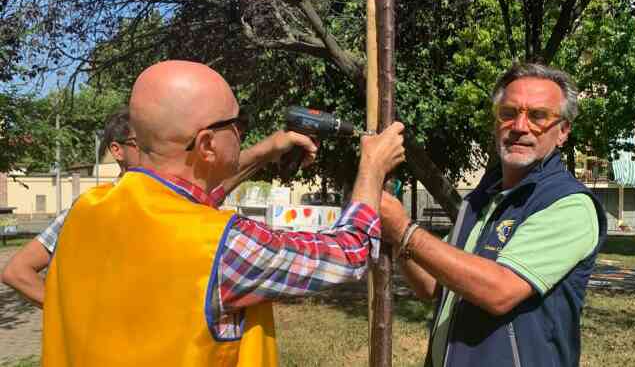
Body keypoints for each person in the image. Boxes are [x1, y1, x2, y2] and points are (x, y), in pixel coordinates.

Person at [42, 60, 405, 366]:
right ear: (206, 144)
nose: (242, 133)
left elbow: (191, 199)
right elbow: (349, 254)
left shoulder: (84, 212)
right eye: (238, 124)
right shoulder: (223, 244)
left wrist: (267, 150)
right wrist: (371, 169)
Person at [379, 63, 607, 367]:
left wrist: (404, 230)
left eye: (538, 116)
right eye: (508, 113)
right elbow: (431, 285)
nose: (520, 126)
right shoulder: (479, 202)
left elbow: (499, 291)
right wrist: (394, 238)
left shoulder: (568, 204)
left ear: (563, 131)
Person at [1, 109, 140, 306]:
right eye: (142, 144)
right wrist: (71, 314)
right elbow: (17, 272)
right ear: (117, 150)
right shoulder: (89, 208)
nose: (155, 151)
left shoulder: (177, 202)